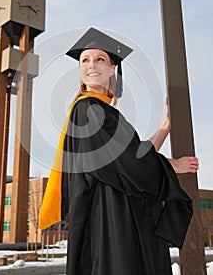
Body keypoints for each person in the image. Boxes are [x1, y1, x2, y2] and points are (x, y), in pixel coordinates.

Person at [39, 27, 199, 275]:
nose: (91, 64)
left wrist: (164, 129)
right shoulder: (87, 110)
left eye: (100, 59)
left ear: (112, 68)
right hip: (109, 219)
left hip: (116, 215)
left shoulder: (102, 111)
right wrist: (170, 166)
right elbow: (129, 165)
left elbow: (131, 156)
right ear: (80, 71)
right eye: (85, 60)